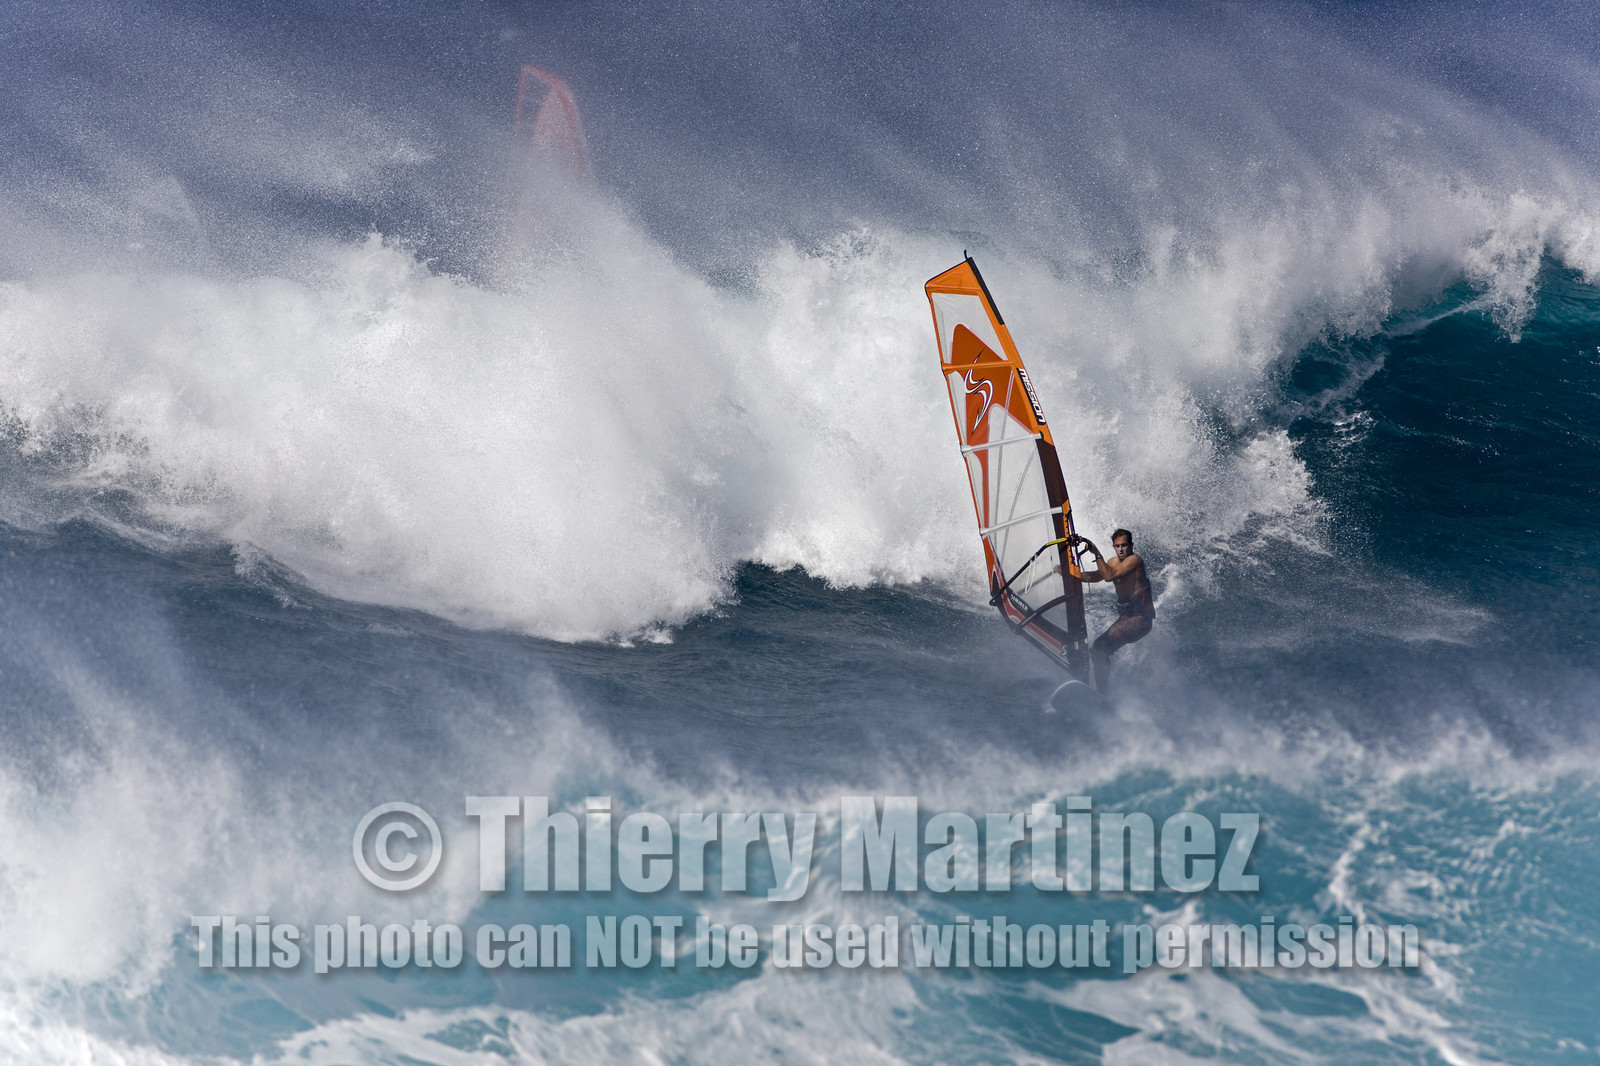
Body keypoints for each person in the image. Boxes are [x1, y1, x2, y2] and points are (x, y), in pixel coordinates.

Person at [1070, 528, 1154, 694]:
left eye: (1124, 545)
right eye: (1117, 546)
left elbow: (1109, 576)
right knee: (1098, 651)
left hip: (1140, 618)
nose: (1121, 549)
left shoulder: (1134, 560)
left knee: (1099, 649)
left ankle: (1103, 694)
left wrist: (1095, 552)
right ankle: (1102, 692)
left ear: (1131, 545)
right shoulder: (1113, 562)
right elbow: (1097, 576)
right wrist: (1071, 574)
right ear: (1114, 546)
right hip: (1126, 616)